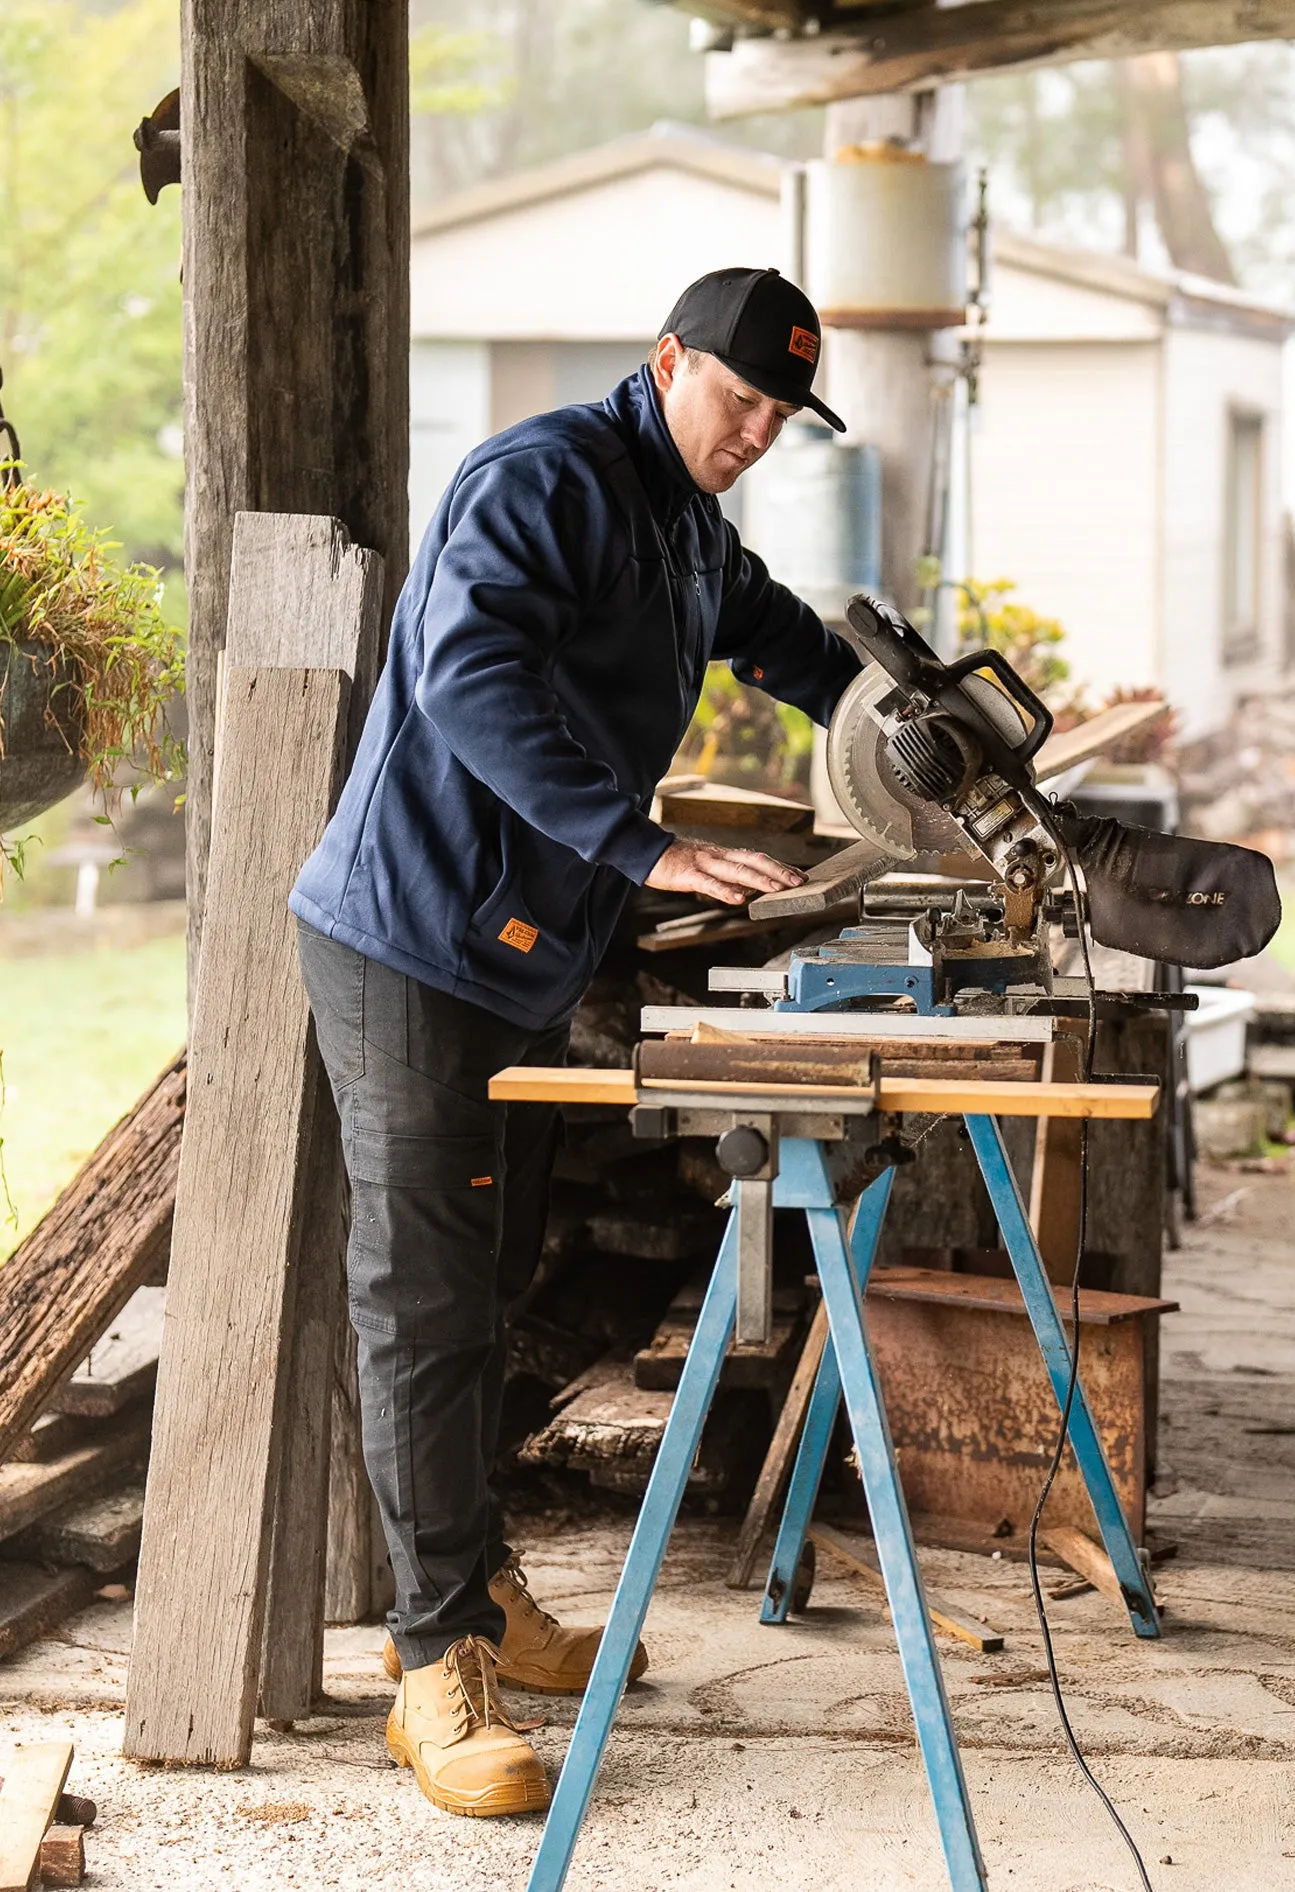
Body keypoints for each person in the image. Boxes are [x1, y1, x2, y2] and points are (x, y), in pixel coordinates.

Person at [290, 266, 862, 1819]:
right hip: (408, 939)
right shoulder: (542, 481)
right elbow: (468, 678)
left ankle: (475, 1596)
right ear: (666, 362)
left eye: (780, 415)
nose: (754, 431)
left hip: (518, 957)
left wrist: (908, 705)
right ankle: (430, 1675)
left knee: (493, 1276)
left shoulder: (690, 526)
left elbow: (794, 646)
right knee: (423, 1303)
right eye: (736, 398)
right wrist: (645, 843)